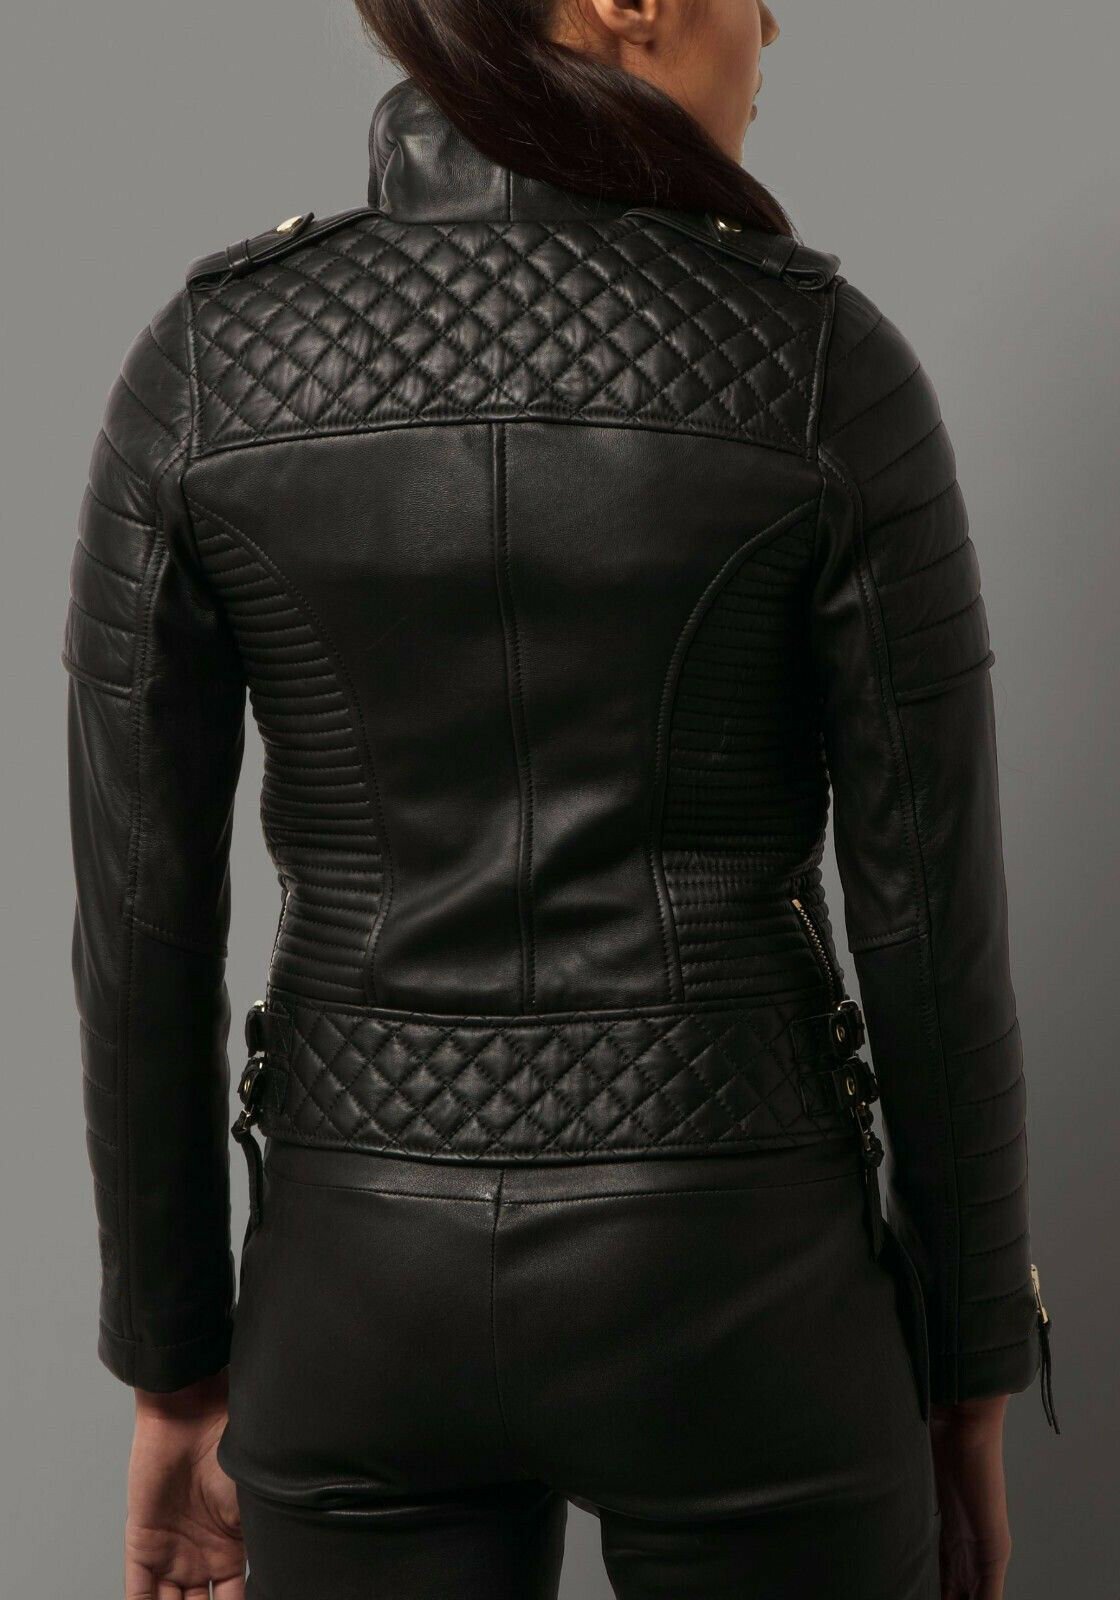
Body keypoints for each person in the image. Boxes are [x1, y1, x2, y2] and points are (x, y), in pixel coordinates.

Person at [62, 1, 1058, 1596]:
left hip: (354, 1283)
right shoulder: (820, 367)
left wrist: (174, 1366)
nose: (774, 24)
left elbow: (138, 929)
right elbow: (932, 931)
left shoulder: (205, 370)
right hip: (743, 1282)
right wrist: (969, 1364)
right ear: (631, 2)